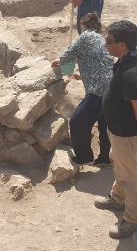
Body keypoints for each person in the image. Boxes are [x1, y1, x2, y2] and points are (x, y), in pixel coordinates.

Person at [94, 20, 137, 239]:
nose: (105, 44)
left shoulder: (131, 73)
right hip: (118, 131)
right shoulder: (127, 60)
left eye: (109, 41)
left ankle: (132, 220)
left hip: (127, 134)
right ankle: (117, 199)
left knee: (130, 177)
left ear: (122, 45)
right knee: (120, 163)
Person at [51, 13, 113, 166]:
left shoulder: (85, 36)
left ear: (83, 26)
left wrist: (58, 62)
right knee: (105, 126)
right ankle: (105, 158)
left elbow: (68, 55)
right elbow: (97, 61)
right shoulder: (101, 38)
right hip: (112, 89)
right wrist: (82, 75)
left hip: (97, 91)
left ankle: (85, 158)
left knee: (77, 122)